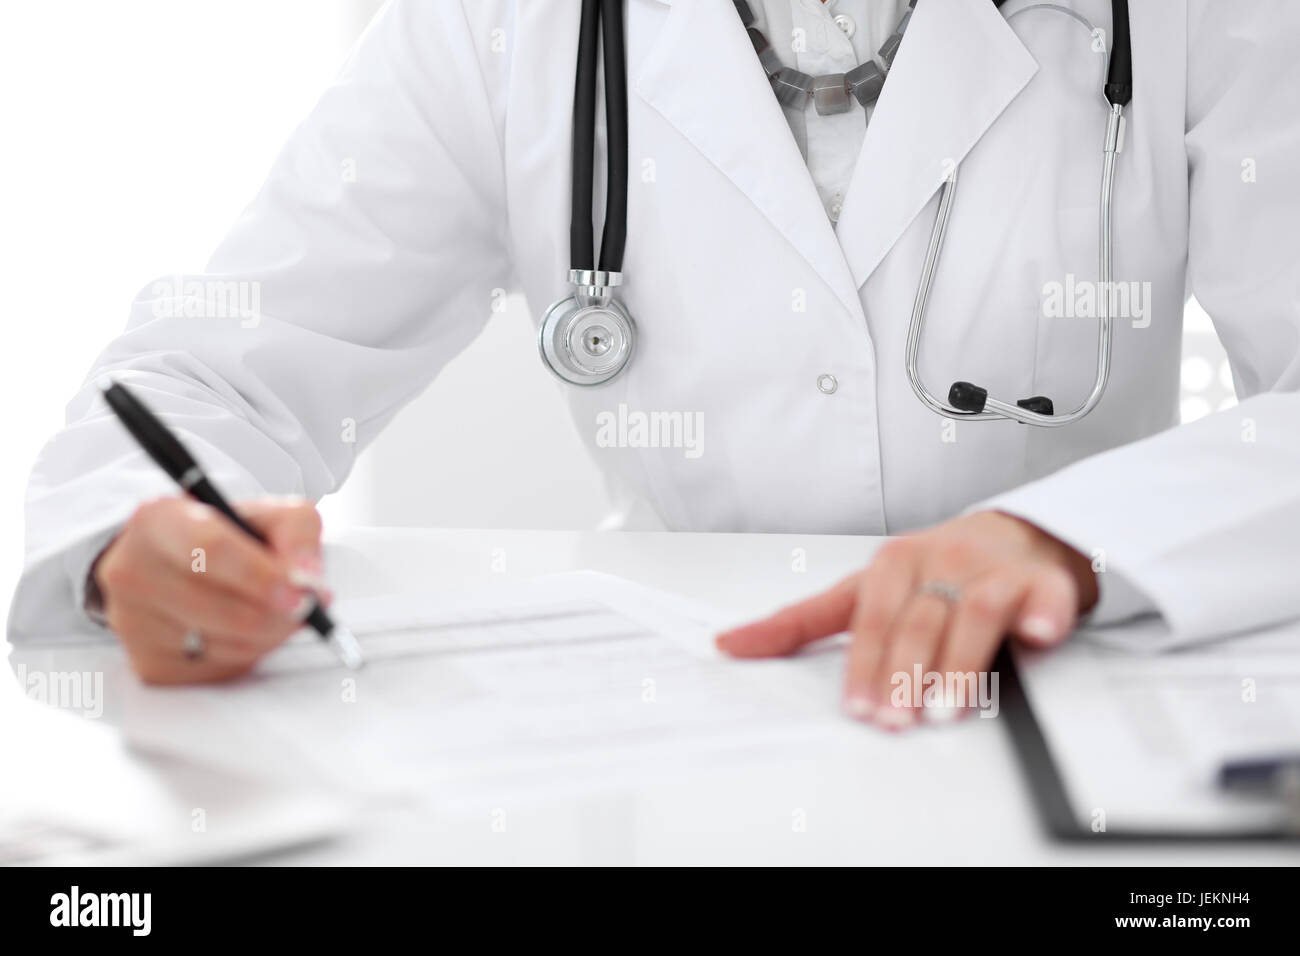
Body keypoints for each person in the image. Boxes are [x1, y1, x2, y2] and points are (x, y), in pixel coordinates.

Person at [12, 1, 1300, 728]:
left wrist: (1071, 539)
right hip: (683, 719)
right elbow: (202, 376)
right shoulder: (497, 28)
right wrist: (148, 539)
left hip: (1079, 704)